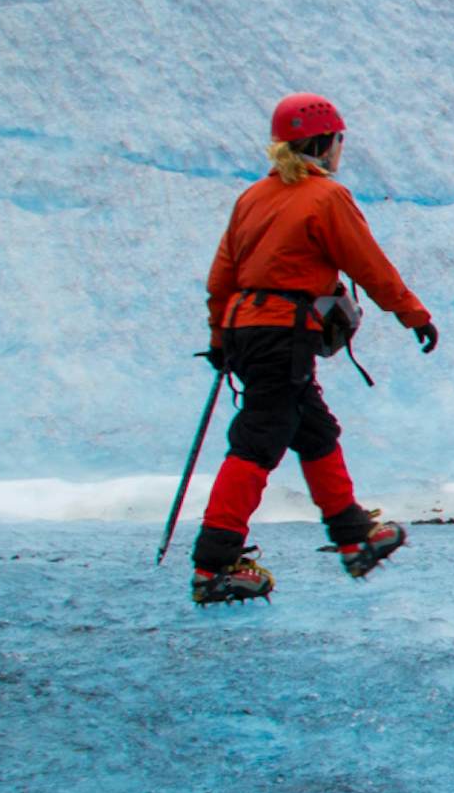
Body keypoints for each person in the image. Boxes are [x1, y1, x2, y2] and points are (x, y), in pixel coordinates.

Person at [188, 93, 440, 603]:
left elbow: (222, 277)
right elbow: (370, 266)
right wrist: (414, 314)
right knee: (260, 436)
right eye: (340, 141)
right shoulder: (325, 198)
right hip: (284, 331)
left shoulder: (252, 198)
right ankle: (213, 565)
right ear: (325, 143)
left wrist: (219, 339)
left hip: (247, 329)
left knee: (314, 428)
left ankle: (353, 538)